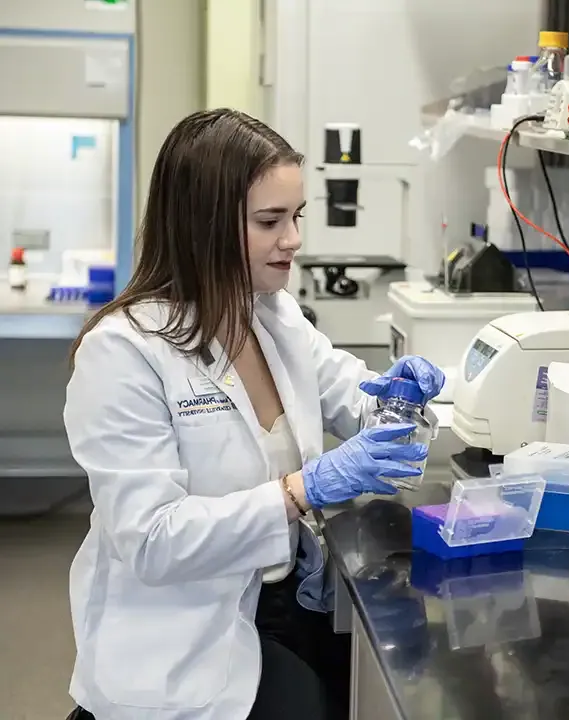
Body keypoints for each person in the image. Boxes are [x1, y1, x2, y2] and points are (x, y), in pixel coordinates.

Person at [63, 109, 444, 720]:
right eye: (270, 221)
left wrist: (394, 398)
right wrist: (299, 491)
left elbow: (350, 395)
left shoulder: (273, 314)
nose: (293, 239)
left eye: (296, 217)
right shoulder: (124, 352)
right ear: (201, 227)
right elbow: (153, 541)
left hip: (286, 598)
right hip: (180, 636)